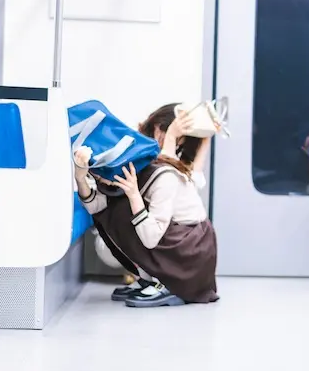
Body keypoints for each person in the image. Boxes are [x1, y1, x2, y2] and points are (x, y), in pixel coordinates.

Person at [75, 104, 220, 308]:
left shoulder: (166, 174)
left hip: (189, 258)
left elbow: (151, 237)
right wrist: (81, 178)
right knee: (117, 206)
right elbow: (98, 208)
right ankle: (152, 278)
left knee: (126, 208)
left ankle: (169, 283)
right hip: (191, 250)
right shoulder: (143, 161)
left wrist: (134, 195)